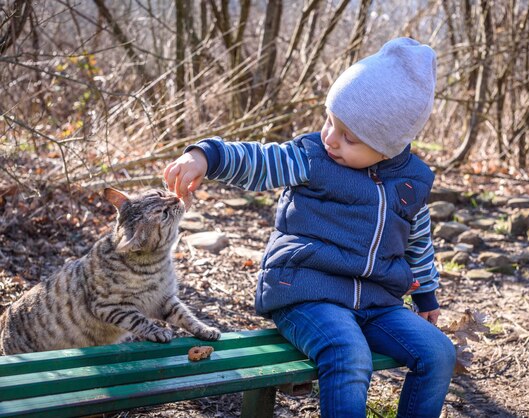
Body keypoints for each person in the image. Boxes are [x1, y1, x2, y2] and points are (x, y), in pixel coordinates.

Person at [164, 37, 456, 418]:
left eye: (350, 137)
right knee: (348, 354)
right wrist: (208, 156)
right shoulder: (312, 158)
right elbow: (261, 160)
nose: (330, 138)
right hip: (306, 291)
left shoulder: (412, 181)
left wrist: (427, 294)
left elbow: (417, 239)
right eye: (329, 120)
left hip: (376, 301)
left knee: (438, 353)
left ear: (391, 146)